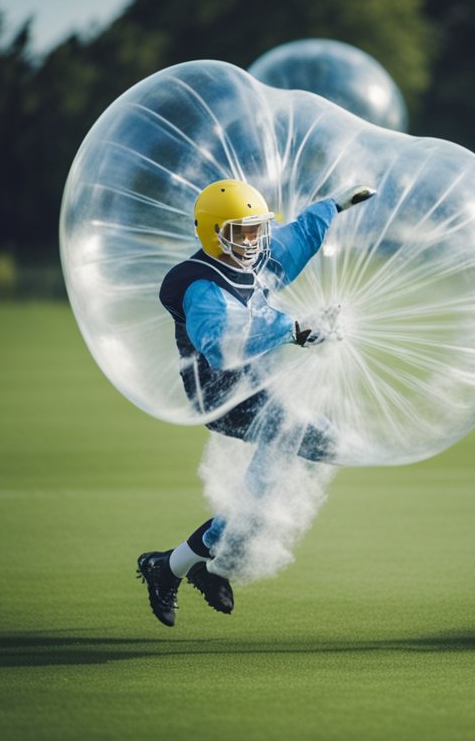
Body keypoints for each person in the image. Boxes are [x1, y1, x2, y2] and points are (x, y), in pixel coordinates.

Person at [136, 178, 375, 627]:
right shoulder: (201, 286)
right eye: (240, 232)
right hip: (223, 394)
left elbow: (296, 238)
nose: (251, 241)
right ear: (213, 233)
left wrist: (334, 205)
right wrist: (292, 330)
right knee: (288, 460)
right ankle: (195, 566)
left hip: (259, 382)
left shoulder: (256, 260)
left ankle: (178, 566)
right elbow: (223, 343)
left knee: (309, 454)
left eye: (255, 230)